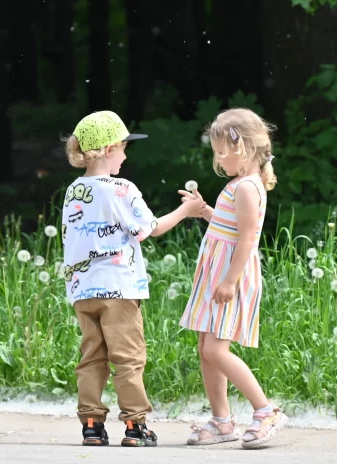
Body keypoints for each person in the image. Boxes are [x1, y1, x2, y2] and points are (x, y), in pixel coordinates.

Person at [61, 111, 205, 447]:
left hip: (83, 289)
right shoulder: (122, 189)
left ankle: (92, 425)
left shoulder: (74, 190)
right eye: (124, 149)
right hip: (119, 289)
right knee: (127, 358)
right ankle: (135, 426)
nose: (125, 157)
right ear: (109, 149)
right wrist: (187, 211)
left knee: (92, 356)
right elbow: (149, 229)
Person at [178, 108, 287, 449]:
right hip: (218, 273)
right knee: (205, 348)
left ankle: (266, 410)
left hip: (231, 275)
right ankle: (222, 421)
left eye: (222, 152)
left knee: (215, 349)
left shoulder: (247, 188)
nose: (218, 160)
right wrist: (206, 212)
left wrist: (229, 281)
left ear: (244, 148)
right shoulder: (239, 185)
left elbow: (246, 239)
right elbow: (229, 227)